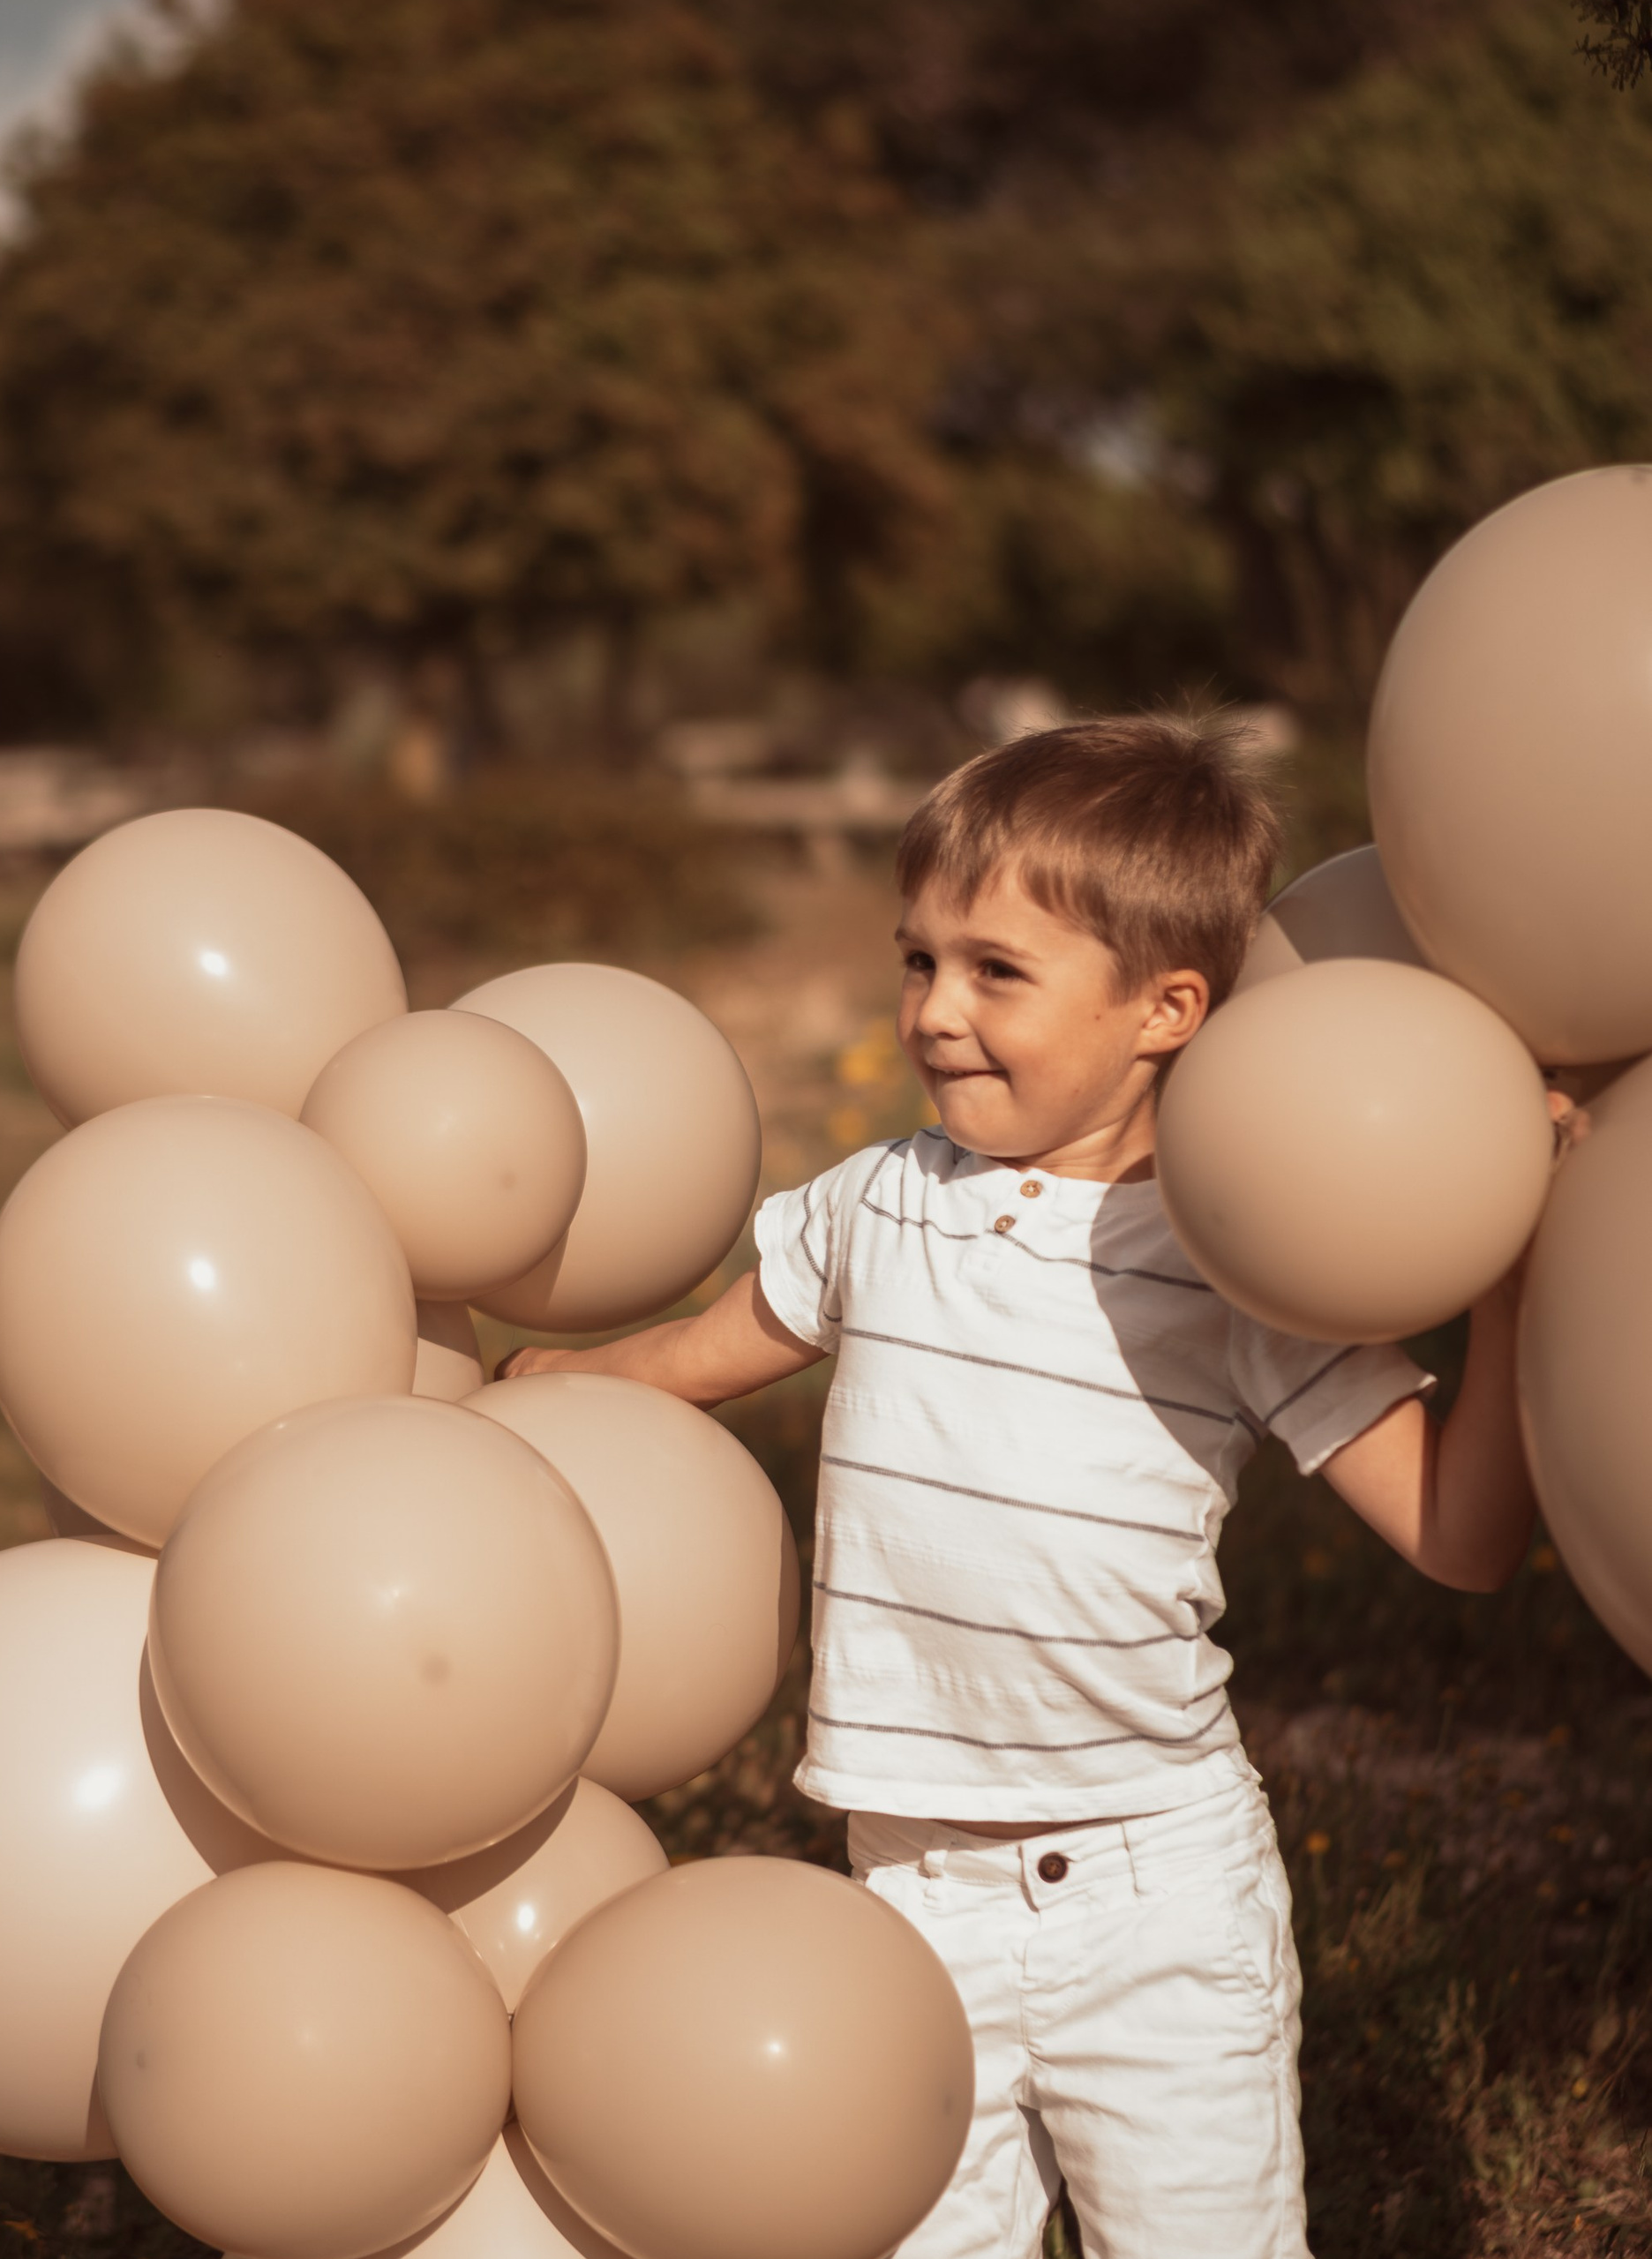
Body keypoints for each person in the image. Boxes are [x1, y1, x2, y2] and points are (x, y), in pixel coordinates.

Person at [498, 716, 1553, 2258]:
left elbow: (1462, 1543)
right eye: (917, 961)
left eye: (997, 971)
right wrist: (513, 1393)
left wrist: (1513, 1277)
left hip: (1153, 1897)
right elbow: (696, 1358)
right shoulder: (874, 1208)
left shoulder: (1242, 1259)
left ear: (1164, 1009)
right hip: (904, 1898)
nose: (934, 1012)